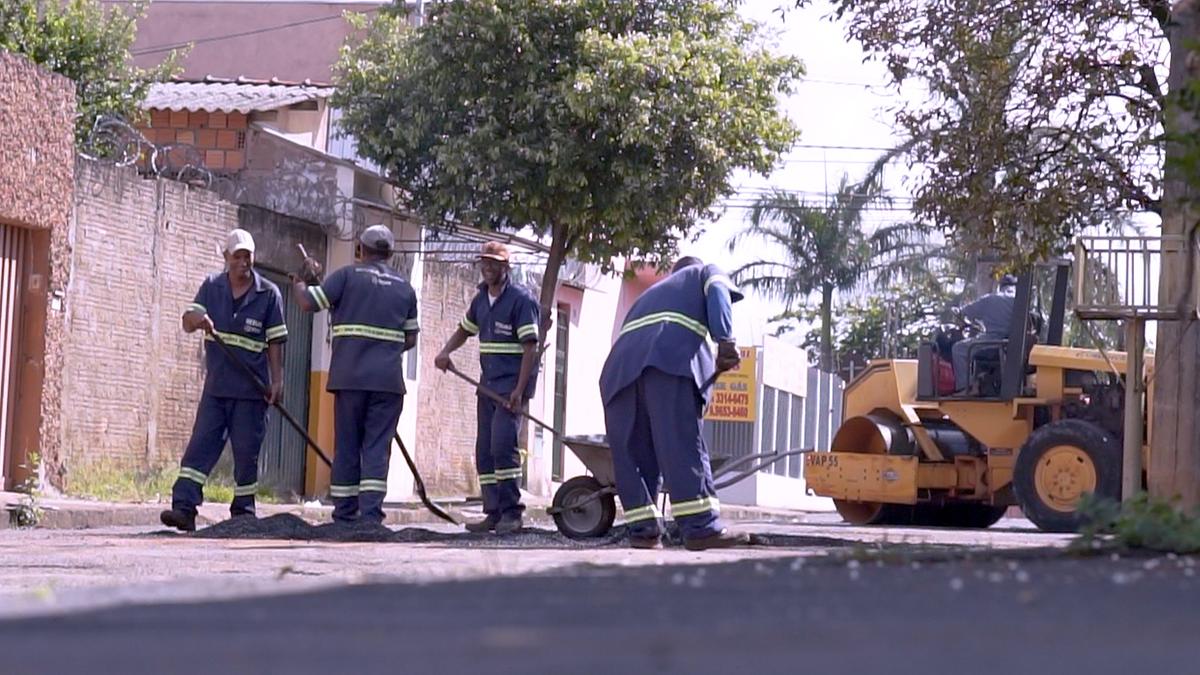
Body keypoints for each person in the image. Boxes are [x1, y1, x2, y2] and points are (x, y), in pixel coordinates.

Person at [598, 256, 748, 551]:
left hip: (618, 371)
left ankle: (643, 531)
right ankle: (702, 528)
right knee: (680, 442)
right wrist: (725, 340)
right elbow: (718, 289)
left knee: (636, 453)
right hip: (666, 359)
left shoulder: (650, 294)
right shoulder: (704, 272)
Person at [160, 229, 287, 532]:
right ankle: (184, 507)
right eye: (237, 256)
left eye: (248, 256)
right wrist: (198, 321)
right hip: (217, 390)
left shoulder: (268, 294)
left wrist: (277, 381)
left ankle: (243, 513)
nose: (243, 262)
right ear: (226, 258)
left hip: (251, 392)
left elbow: (275, 342)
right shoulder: (212, 287)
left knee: (246, 455)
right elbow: (188, 319)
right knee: (199, 449)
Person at [293, 225, 419, 525]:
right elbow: (411, 339)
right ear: (389, 254)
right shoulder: (405, 288)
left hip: (349, 380)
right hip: (388, 383)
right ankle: (371, 515)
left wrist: (299, 282)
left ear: (360, 249)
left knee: (348, 445)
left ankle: (346, 513)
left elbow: (309, 302)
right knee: (377, 448)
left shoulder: (346, 277)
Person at [434, 241, 540, 535]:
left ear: (506, 268)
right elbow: (465, 330)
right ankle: (493, 512)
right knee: (485, 451)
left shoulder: (521, 300)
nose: (488, 268)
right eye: (485, 263)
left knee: (503, 447)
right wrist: (445, 352)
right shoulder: (480, 300)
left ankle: (512, 513)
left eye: (494, 263)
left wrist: (520, 391)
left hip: (511, 388)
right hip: (488, 385)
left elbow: (530, 348)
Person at [951, 274, 1017, 394]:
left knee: (958, 349)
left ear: (1000, 286)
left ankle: (967, 388)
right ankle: (981, 381)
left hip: (993, 342)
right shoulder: (1020, 302)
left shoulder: (991, 299)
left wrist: (957, 310)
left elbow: (964, 313)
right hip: (1011, 345)